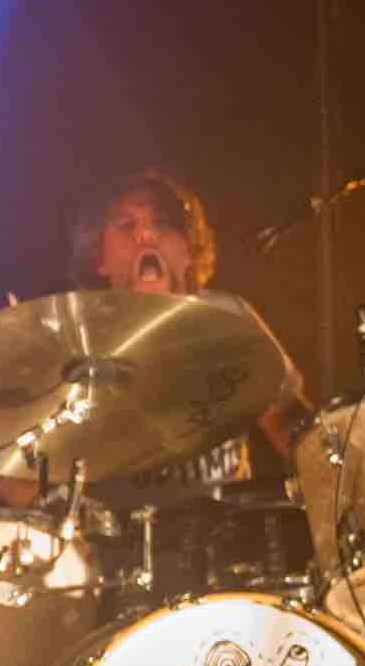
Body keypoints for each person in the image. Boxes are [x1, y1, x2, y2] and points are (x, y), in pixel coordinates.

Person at [68, 169, 310, 485]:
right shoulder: (76, 335)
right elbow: (27, 473)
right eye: (126, 226)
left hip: (225, 525)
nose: (145, 236)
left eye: (162, 223)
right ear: (99, 258)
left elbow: (294, 430)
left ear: (187, 250)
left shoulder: (228, 317)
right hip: (111, 529)